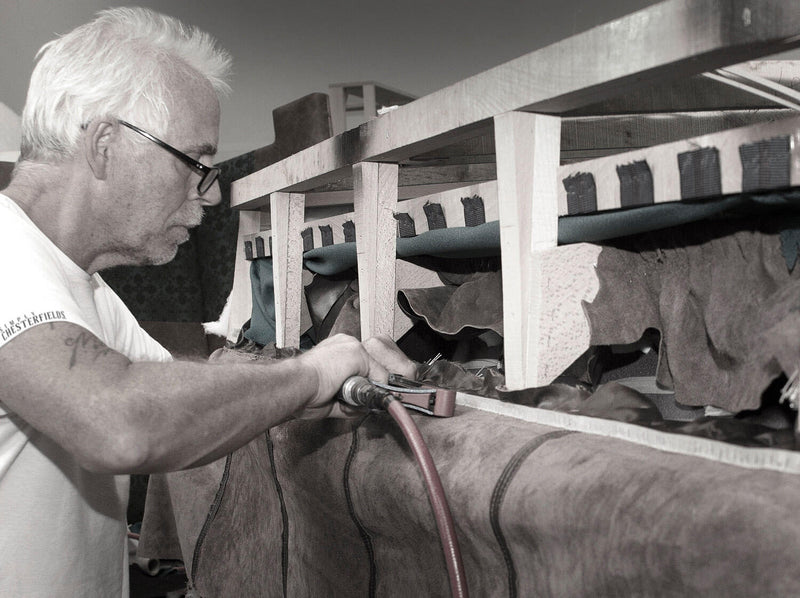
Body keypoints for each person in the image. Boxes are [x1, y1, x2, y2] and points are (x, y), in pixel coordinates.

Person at [0, 7, 415, 597]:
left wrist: (334, 376)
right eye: (196, 162)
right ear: (106, 145)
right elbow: (123, 424)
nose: (211, 191)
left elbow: (184, 399)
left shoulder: (80, 284)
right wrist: (308, 374)